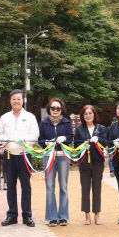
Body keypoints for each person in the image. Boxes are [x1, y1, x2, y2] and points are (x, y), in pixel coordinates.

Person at [0, 89, 39, 227]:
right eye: (13, 99)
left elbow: (35, 134)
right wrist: (5, 142)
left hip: (24, 155)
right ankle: (12, 215)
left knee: (26, 186)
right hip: (9, 155)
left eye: (18, 99)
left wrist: (24, 142)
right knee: (11, 186)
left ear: (22, 100)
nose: (16, 101)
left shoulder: (30, 117)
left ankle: (27, 216)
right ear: (10, 101)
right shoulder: (4, 117)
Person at [39, 97, 73, 227]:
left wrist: (64, 138)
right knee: (49, 187)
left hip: (63, 156)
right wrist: (46, 143)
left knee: (63, 186)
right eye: (53, 108)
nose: (55, 110)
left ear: (61, 109)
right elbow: (40, 139)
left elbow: (70, 137)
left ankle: (63, 216)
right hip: (49, 156)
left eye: (58, 108)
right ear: (49, 109)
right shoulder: (44, 123)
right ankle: (52, 217)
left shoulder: (66, 122)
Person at [74, 105, 108, 225]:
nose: (88, 116)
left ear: (94, 114)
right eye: (85, 114)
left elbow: (105, 142)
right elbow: (75, 146)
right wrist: (83, 146)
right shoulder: (79, 129)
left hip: (98, 161)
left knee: (97, 188)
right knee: (85, 188)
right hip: (84, 162)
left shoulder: (101, 128)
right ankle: (87, 216)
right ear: (83, 116)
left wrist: (97, 139)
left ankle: (97, 215)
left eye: (90, 113)